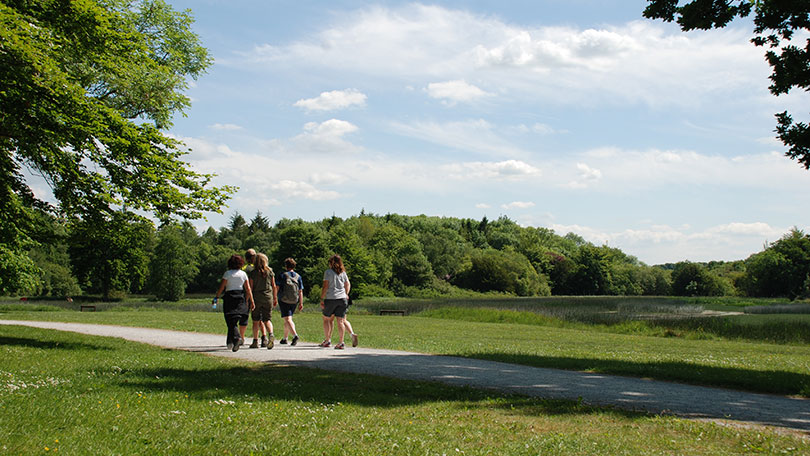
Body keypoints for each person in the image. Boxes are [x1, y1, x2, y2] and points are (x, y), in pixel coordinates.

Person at [214, 254, 255, 352]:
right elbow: (248, 289)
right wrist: (251, 301)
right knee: (234, 320)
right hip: (240, 296)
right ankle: (230, 341)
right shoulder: (243, 274)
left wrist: (216, 297)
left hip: (230, 297)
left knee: (230, 319)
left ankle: (237, 338)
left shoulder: (227, 274)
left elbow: (222, 287)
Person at [319, 254, 356, 349]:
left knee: (326, 319)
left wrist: (322, 298)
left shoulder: (328, 272)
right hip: (342, 298)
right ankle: (341, 342)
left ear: (331, 263)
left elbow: (325, 286)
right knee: (340, 321)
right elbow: (348, 284)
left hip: (331, 298)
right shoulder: (343, 273)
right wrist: (346, 293)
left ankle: (327, 340)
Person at [248, 253, 277, 349]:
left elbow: (250, 288)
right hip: (268, 297)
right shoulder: (270, 272)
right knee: (267, 319)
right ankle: (271, 334)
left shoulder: (253, 273)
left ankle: (255, 341)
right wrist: (275, 298)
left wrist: (250, 300)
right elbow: (273, 286)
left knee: (255, 320)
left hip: (256, 297)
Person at [277, 257, 303, 346]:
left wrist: (274, 298)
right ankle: (285, 338)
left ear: (286, 266)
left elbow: (277, 287)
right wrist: (301, 302)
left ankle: (295, 335)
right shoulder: (298, 276)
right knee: (288, 319)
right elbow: (300, 291)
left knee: (287, 319)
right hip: (294, 300)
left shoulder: (283, 275)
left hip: (284, 299)